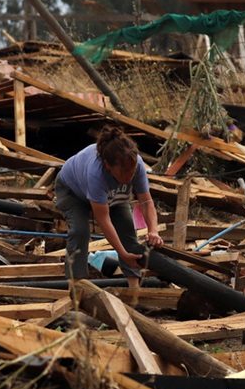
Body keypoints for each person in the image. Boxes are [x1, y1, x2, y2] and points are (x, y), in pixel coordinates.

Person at [54, 124, 164, 295]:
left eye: (132, 172)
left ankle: (134, 289)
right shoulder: (95, 173)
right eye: (124, 173)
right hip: (72, 191)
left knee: (127, 228)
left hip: (111, 195)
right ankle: (75, 290)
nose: (129, 178)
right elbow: (103, 220)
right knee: (80, 232)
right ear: (108, 165)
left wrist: (154, 231)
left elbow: (146, 201)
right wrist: (122, 253)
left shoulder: (137, 166)